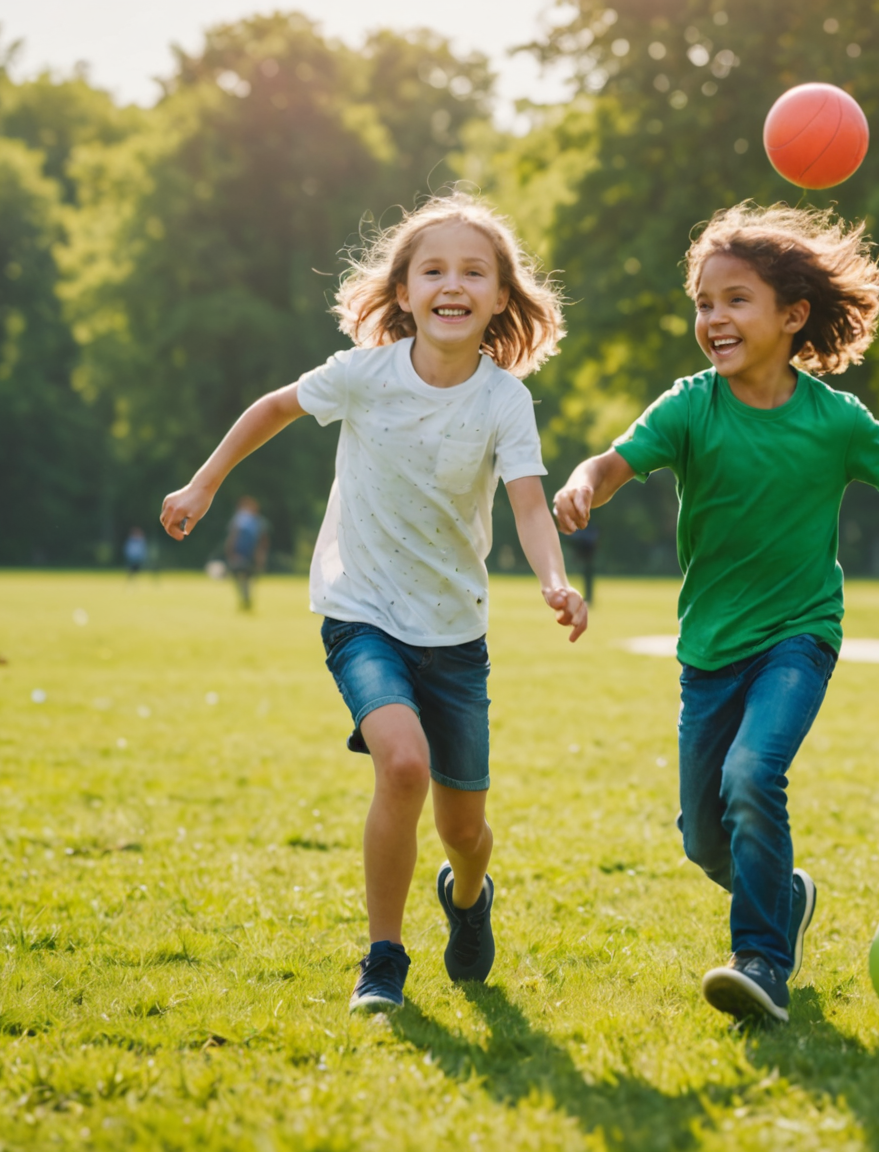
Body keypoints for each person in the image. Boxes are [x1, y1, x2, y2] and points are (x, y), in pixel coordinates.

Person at [553, 203, 879, 1023]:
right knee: (702, 839)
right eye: (704, 303)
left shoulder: (835, 421)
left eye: (736, 300)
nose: (714, 317)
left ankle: (762, 960)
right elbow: (612, 463)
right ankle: (786, 896)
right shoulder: (690, 407)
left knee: (752, 775)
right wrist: (581, 485)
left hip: (798, 639)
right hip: (710, 650)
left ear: (792, 315)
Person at [159, 191, 585, 1012]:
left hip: (454, 632)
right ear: (403, 292)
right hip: (361, 614)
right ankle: (383, 958)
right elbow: (274, 408)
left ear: (501, 296)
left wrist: (553, 581)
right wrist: (204, 483)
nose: (452, 284)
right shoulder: (363, 375)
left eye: (474, 272)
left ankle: (468, 897)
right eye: (434, 271)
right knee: (403, 764)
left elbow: (530, 504)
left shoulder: (504, 400)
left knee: (464, 831)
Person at [224, 497, 270, 610]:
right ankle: (246, 599)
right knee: (246, 578)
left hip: (241, 553)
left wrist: (229, 551)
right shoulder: (258, 521)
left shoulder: (239, 519)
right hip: (249, 554)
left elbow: (233, 537)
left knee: (241, 577)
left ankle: (245, 599)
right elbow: (264, 541)